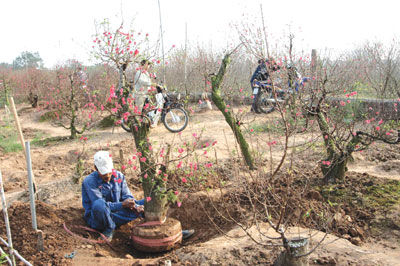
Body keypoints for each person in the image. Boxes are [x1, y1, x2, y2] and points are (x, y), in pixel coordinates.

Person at [82, 151, 194, 241]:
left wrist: (134, 205)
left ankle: (169, 232)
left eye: (109, 172)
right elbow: (101, 206)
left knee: (148, 202)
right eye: (104, 173)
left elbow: (127, 196)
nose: (108, 175)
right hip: (99, 218)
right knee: (98, 205)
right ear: (96, 168)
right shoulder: (89, 182)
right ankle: (109, 228)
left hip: (118, 214)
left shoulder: (119, 176)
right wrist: (122, 204)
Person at [133, 59, 163, 128]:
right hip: (140, 94)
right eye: (147, 64)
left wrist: (155, 88)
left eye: (149, 65)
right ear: (143, 65)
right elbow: (143, 82)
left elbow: (148, 83)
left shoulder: (146, 73)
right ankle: (137, 127)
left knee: (150, 108)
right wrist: (153, 84)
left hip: (145, 94)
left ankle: (148, 123)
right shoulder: (139, 73)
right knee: (138, 111)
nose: (148, 66)